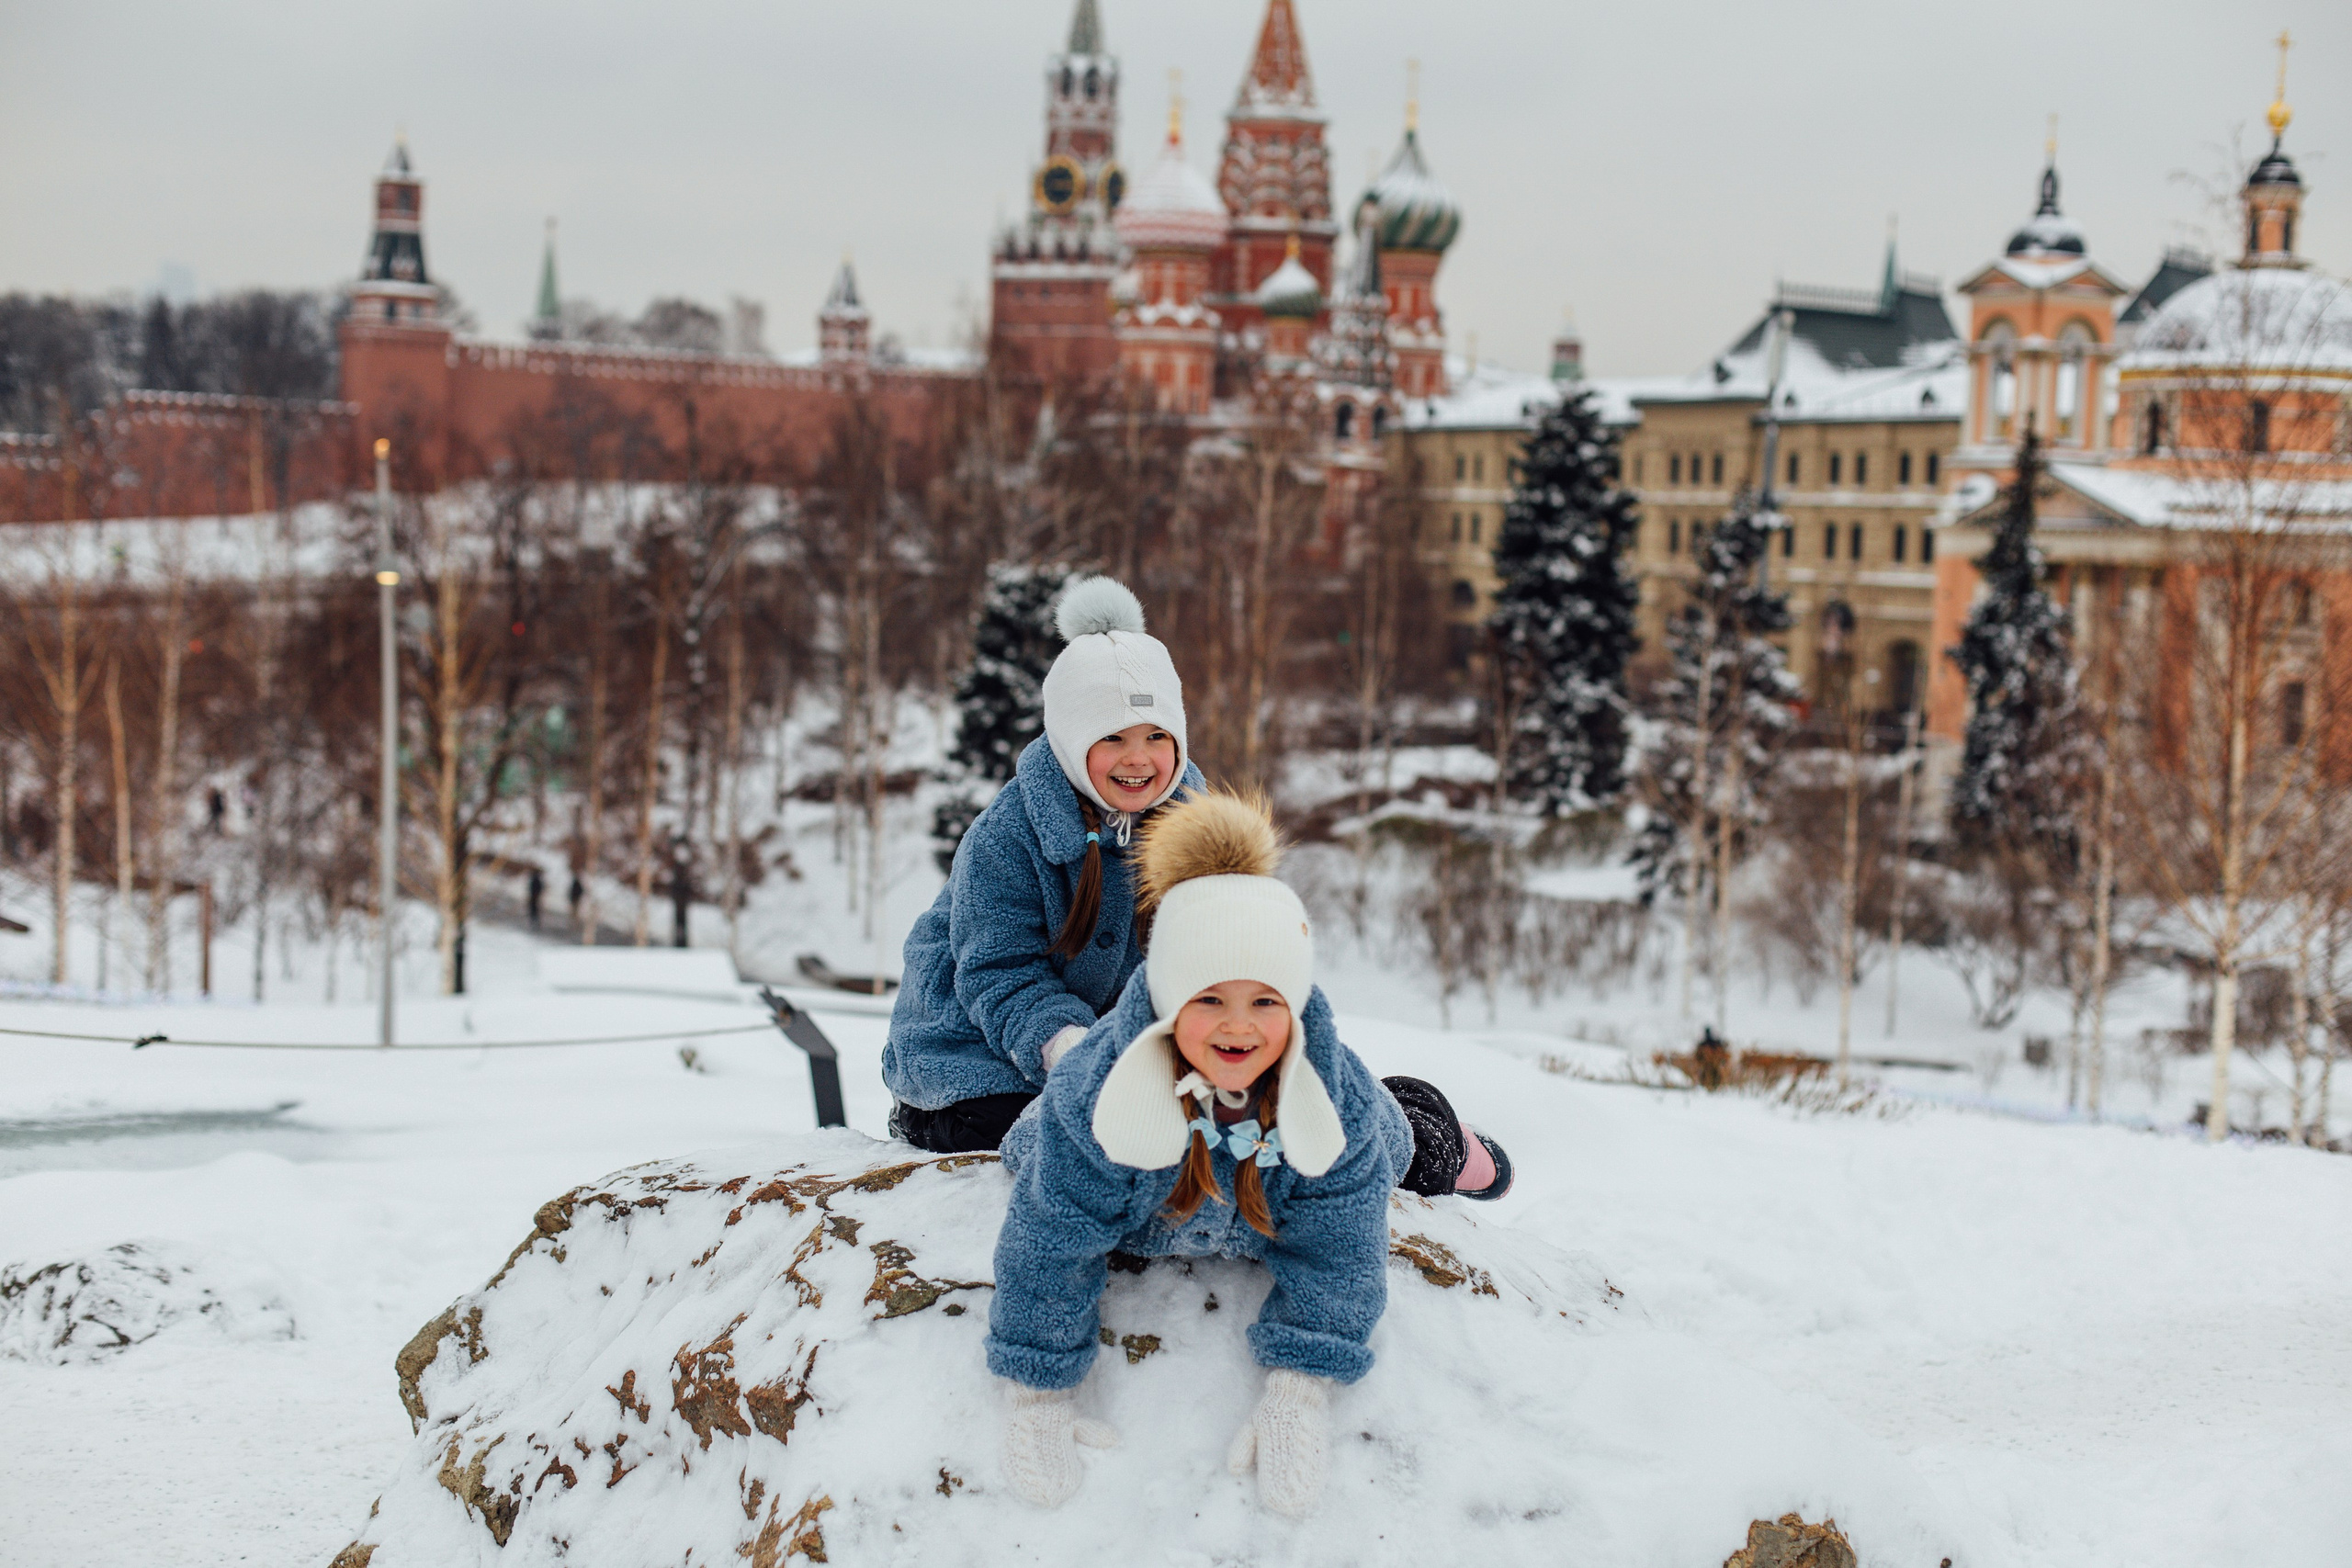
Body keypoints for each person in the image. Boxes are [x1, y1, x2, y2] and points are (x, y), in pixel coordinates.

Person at [884, 574, 1510, 1201]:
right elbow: (999, 972)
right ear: (1072, 740)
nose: (1138, 758)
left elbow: (1234, 961)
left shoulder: (1196, 827)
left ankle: (1420, 1132)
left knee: (1253, 1124)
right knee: (1087, 1141)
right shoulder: (1007, 837)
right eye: (1113, 738)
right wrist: (1074, 1052)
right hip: (976, 1063)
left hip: (1128, 1047)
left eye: (1156, 736)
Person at [986, 790, 1423, 1517]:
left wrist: (1299, 1386)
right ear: (1166, 997)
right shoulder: (1096, 1095)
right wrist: (1038, 1386)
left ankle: (1444, 1127)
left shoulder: (1334, 1104)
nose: (1238, 1027)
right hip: (1102, 1116)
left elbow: (1340, 1248)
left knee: (1405, 1143)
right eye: (1210, 999)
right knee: (1030, 1147)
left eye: (1266, 1001)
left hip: (1366, 1114)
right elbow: (1050, 1235)